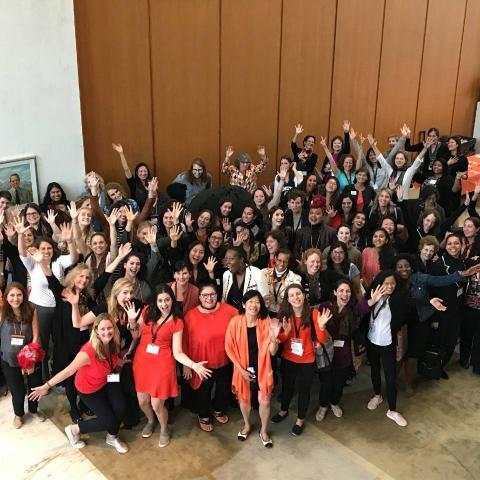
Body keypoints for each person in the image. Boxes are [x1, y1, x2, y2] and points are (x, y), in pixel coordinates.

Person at [29, 314, 129, 454]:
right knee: (111, 422)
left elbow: (111, 359)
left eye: (109, 328)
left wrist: (121, 361)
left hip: (107, 379)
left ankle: (112, 436)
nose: (107, 332)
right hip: (89, 388)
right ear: (96, 330)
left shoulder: (114, 341)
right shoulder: (88, 352)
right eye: (102, 329)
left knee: (121, 408)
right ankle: (74, 429)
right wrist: (46, 386)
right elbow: (68, 371)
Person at [126, 285, 211, 448]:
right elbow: (136, 335)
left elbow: (178, 352)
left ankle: (164, 428)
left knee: (157, 404)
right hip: (142, 361)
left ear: (172, 300)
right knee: (143, 401)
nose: (164, 304)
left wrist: (193, 365)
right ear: (155, 301)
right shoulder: (145, 312)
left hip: (162, 364)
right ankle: (151, 421)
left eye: (167, 300)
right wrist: (131, 320)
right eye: (160, 300)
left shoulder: (177, 322)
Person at [365, 270, 445, 427]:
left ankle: (392, 410)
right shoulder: (373, 296)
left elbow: (413, 301)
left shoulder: (398, 299)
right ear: (380, 283)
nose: (390, 286)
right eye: (386, 283)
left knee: (390, 376)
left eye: (393, 283)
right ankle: (377, 395)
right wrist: (372, 301)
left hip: (387, 343)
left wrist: (430, 301)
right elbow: (361, 311)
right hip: (371, 341)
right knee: (374, 370)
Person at [16, 219, 78, 381]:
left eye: (49, 248)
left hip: (58, 308)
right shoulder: (33, 263)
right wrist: (21, 235)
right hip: (39, 309)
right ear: (37, 249)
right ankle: (42, 377)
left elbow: (74, 258)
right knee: (40, 344)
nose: (46, 251)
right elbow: (22, 252)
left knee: (58, 343)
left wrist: (69, 240)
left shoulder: (58, 262)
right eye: (43, 248)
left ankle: (58, 377)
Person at [315, 280, 383, 421]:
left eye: (348, 291)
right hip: (327, 352)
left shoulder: (353, 309)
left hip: (344, 354)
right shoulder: (325, 307)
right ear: (335, 292)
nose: (344, 294)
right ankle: (323, 406)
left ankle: (334, 403)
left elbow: (364, 307)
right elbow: (316, 325)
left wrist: (373, 300)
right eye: (341, 290)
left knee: (339, 383)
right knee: (326, 383)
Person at [271, 284, 330, 436]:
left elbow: (322, 340)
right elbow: (282, 339)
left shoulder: (314, 314)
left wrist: (322, 327)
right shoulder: (284, 314)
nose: (296, 297)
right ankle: (283, 411)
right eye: (292, 295)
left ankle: (300, 419)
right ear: (288, 299)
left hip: (307, 360)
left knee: (304, 391)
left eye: (298, 294)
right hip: (288, 358)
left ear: (304, 295)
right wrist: (286, 332)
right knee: (287, 387)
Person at [225, 290, 281, 447]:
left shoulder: (266, 322)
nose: (253, 305)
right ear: (244, 304)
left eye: (257, 302)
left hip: (262, 368)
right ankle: (247, 425)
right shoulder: (235, 322)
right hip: (242, 368)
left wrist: (275, 338)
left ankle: (263, 430)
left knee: (264, 401)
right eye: (250, 301)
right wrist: (241, 370)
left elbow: (272, 352)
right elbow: (229, 348)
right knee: (244, 399)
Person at [182, 283, 238, 432]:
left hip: (224, 361)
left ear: (217, 295)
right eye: (205, 295)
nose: (209, 298)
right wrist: (186, 365)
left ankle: (217, 409)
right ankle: (204, 415)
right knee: (202, 392)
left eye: (212, 294)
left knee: (223, 389)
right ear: (199, 297)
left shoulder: (230, 311)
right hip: (201, 363)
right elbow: (183, 342)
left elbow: (241, 327)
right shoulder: (190, 316)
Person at [0, 282, 44, 428]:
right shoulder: (2, 312)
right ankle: (18, 415)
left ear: (24, 296)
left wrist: (30, 361)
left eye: (19, 295)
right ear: (6, 297)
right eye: (12, 295)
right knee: (17, 389)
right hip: (9, 359)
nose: (15, 298)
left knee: (34, 386)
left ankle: (33, 410)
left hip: (30, 357)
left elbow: (36, 337)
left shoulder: (31, 310)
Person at [262, 248, 302, 316]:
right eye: (279, 260)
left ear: (288, 262)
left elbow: (296, 297)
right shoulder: (264, 273)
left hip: (285, 313)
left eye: (285, 261)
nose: (282, 264)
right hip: (266, 311)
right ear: (275, 259)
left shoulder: (295, 278)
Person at [112, 143, 152, 210]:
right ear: (137, 173)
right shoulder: (133, 182)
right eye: (141, 171)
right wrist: (121, 154)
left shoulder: (151, 183)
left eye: (145, 171)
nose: (143, 173)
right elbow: (126, 170)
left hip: (150, 213)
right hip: (136, 212)